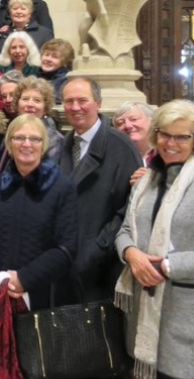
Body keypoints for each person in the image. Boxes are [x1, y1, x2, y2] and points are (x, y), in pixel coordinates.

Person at [114, 99, 194, 379]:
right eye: (165, 134)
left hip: (185, 319)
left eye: (182, 136)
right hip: (141, 315)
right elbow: (124, 232)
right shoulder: (146, 180)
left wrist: (166, 266)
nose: (171, 143)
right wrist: (131, 254)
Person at [0, 113, 77, 315]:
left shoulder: (62, 187)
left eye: (34, 139)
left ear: (44, 144)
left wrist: (24, 279)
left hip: (43, 295)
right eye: (19, 138)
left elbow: (66, 247)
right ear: (10, 144)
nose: (26, 144)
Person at [60, 77, 142, 302]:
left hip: (102, 267)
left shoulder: (122, 147)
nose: (75, 107)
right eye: (69, 101)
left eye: (82, 100)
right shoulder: (62, 146)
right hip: (64, 263)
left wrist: (98, 247)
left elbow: (131, 206)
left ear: (98, 103)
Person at [114, 101, 156, 166]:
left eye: (134, 119)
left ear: (152, 121)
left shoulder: (164, 154)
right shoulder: (112, 158)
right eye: (120, 122)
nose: (127, 125)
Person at [39, 38, 75, 104]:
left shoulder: (65, 81)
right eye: (46, 54)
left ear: (64, 62)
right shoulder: (37, 76)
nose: (48, 59)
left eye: (54, 57)